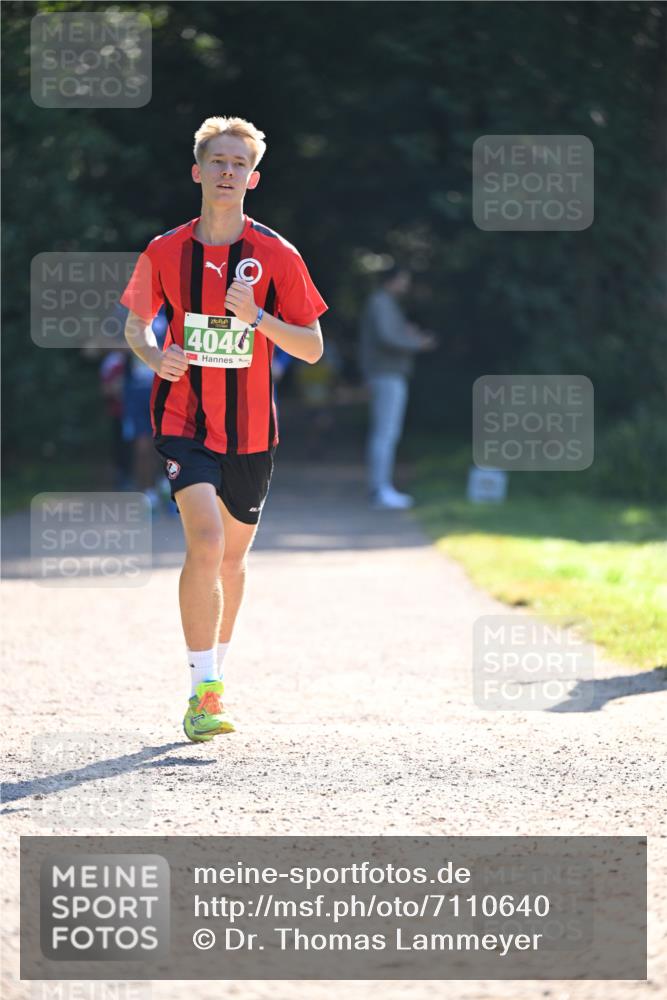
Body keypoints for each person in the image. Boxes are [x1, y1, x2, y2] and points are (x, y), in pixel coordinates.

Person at [121, 116, 327, 741]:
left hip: (251, 433)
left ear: (253, 178)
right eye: (218, 161)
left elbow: (313, 348)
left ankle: (218, 674)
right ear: (198, 171)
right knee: (205, 542)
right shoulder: (163, 251)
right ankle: (200, 694)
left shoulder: (277, 255)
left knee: (232, 564)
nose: (227, 171)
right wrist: (158, 358)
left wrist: (258, 316)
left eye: (239, 164)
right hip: (184, 416)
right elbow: (135, 325)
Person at [359, 266, 437, 510]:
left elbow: (390, 334)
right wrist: (417, 342)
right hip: (386, 375)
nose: (406, 286)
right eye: (403, 280)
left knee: (387, 433)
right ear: (391, 281)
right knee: (385, 433)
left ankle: (381, 488)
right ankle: (379, 490)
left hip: (389, 374)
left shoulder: (385, 303)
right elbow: (387, 338)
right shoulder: (380, 302)